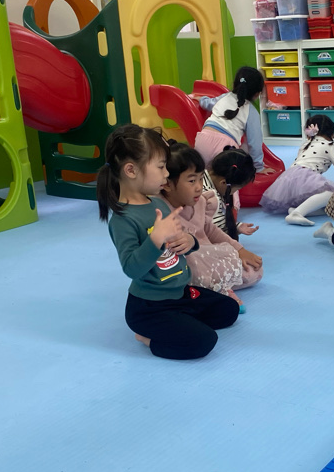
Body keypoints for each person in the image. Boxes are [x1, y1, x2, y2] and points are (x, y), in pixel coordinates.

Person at [97, 124, 239, 360]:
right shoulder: (123, 219)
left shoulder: (158, 204)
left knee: (229, 310)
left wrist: (190, 241)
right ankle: (149, 339)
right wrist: (156, 239)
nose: (166, 174)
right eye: (161, 167)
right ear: (131, 170)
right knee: (204, 341)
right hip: (150, 307)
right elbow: (131, 268)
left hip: (180, 293)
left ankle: (180, 323)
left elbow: (182, 242)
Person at [161, 142, 263, 312]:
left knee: (255, 271)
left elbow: (210, 229)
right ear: (167, 184)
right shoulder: (160, 210)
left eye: (201, 178)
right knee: (191, 265)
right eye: (192, 181)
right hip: (182, 268)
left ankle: (216, 287)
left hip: (208, 256)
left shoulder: (201, 201)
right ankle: (217, 291)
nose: (199, 187)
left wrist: (240, 250)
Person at [260, 113, 334, 225]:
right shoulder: (329, 145)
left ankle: (296, 210)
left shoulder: (305, 144)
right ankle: (297, 213)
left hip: (287, 178)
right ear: (331, 133)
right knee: (331, 194)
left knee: (328, 208)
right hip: (304, 176)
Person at [195, 66, 271, 175]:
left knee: (205, 176)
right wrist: (258, 167)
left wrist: (201, 99)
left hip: (202, 141)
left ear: (235, 84)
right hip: (225, 148)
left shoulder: (224, 97)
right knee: (229, 178)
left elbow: (208, 103)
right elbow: (255, 143)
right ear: (257, 94)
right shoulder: (251, 112)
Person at [202, 147, 259, 241]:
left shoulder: (201, 174)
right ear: (223, 183)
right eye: (236, 189)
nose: (234, 193)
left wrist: (237, 226)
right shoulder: (211, 196)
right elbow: (214, 230)